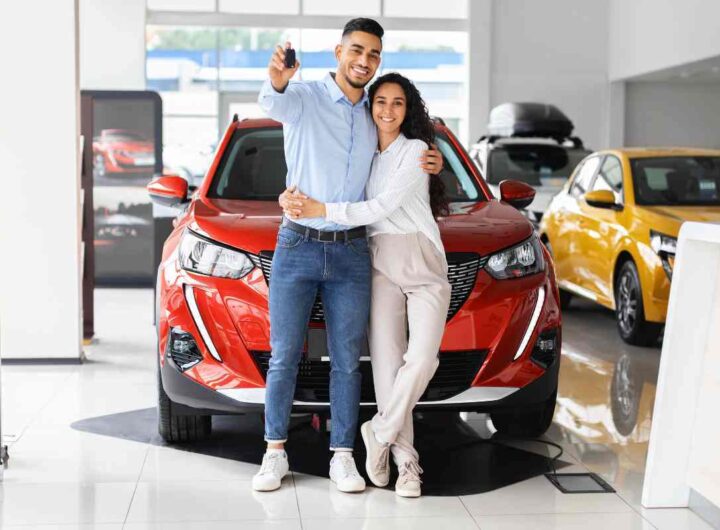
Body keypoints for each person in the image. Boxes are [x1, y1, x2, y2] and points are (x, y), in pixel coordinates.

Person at [251, 18, 444, 494]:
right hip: (298, 243)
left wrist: (433, 159)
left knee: (346, 361)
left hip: (355, 251)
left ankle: (342, 455)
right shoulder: (306, 97)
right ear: (339, 52)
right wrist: (277, 79)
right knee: (283, 357)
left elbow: (401, 155)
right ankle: (274, 453)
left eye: (373, 53)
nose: (364, 60)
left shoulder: (373, 114)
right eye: (356, 50)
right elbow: (273, 102)